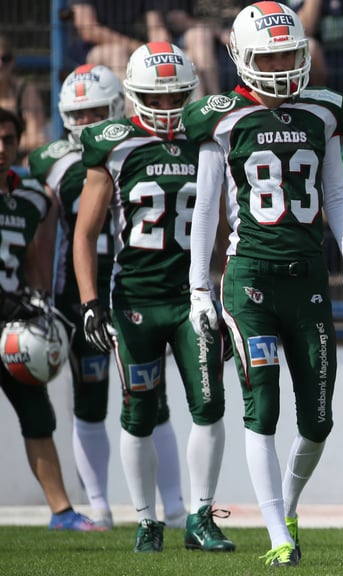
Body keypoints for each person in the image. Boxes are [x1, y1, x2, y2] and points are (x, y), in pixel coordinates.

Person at [184, 1, 343, 567]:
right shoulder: (223, 117)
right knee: (261, 409)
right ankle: (277, 537)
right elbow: (207, 212)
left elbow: (336, 197)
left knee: (318, 419)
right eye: (272, 55)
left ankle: (286, 505)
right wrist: (198, 289)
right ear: (242, 58)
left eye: (291, 52)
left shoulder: (324, 112)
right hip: (251, 281)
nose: (284, 65)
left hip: (309, 278)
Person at [73, 43, 234, 554]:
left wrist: (225, 299)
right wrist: (90, 302)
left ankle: (200, 516)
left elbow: (229, 230)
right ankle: (147, 521)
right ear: (132, 96)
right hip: (136, 299)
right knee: (139, 411)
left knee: (209, 405)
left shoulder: (209, 140)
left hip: (193, 298)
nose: (166, 110)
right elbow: (85, 234)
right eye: (153, 98)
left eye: (175, 98)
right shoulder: (113, 144)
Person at [28, 63, 188, 530]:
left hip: (134, 287)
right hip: (79, 295)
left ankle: (174, 507)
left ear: (120, 105)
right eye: (78, 114)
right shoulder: (51, 162)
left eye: (97, 110)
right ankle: (98, 505)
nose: (87, 122)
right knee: (90, 399)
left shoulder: (137, 146)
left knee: (152, 400)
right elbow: (44, 234)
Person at [0, 107, 105, 533]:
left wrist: (39, 301)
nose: (1, 146)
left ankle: (62, 511)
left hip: (11, 325)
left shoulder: (29, 198)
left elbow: (32, 258)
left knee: (38, 414)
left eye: (8, 138)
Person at [71, 0, 219, 97]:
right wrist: (137, 47)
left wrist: (165, 50)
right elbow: (88, 30)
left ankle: (207, 112)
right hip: (97, 49)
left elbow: (156, 27)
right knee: (117, 53)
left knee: (185, 60)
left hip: (137, 48)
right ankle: (134, 122)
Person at [0, 36, 47, 164]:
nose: (1, 64)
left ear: (13, 62)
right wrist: (24, 141)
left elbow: (37, 138)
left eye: (5, 59)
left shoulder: (26, 91)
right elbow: (30, 139)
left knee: (34, 162)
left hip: (19, 159)